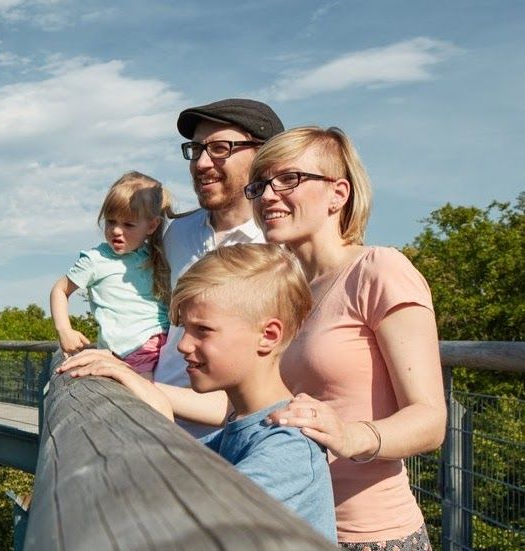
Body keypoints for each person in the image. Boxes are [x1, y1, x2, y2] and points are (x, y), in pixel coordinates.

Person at [247, 126, 445, 549]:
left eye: (289, 179)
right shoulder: (287, 293)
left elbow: (430, 421)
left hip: (370, 536)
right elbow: (246, 403)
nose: (267, 195)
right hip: (295, 528)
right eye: (260, 183)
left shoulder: (380, 270)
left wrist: (350, 436)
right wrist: (137, 384)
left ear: (338, 194)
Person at [60, 243, 337, 541]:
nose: (182, 345)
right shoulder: (241, 429)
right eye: (183, 328)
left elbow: (186, 527)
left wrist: (161, 427)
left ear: (268, 336)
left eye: (202, 330)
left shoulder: (288, 447)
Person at [154, 98, 285, 435]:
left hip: (240, 439)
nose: (201, 163)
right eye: (196, 149)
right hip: (162, 425)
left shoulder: (283, 245)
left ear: (263, 156)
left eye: (220, 148)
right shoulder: (177, 234)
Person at [49, 171, 172, 377]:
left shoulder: (157, 255)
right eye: (111, 221)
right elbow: (60, 290)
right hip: (127, 353)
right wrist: (65, 331)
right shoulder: (96, 260)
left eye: (128, 224)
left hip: (162, 347)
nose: (116, 230)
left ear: (151, 225)